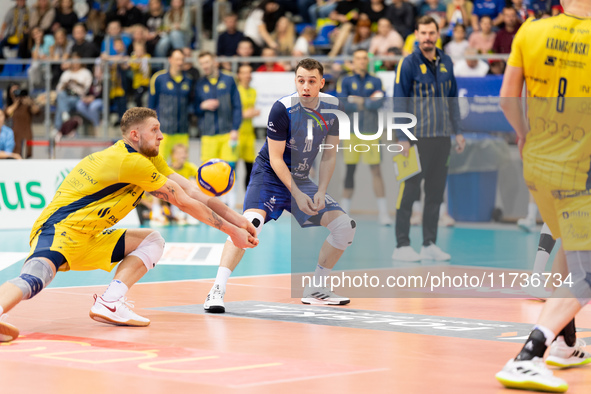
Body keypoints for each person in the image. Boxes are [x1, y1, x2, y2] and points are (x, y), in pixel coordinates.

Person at [0, 107, 258, 343]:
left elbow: (191, 190)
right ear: (135, 134)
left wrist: (239, 221)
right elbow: (183, 201)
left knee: (151, 241)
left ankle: (110, 303)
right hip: (59, 230)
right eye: (154, 130)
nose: (161, 135)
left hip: (89, 237)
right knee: (35, 279)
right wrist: (232, 232)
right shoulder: (129, 162)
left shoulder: (147, 158)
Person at [203, 58, 356, 313]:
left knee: (344, 227)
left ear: (322, 83)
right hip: (270, 175)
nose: (305, 86)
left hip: (301, 177)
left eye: (311, 81)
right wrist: (296, 193)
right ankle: (216, 290)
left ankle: (316, 288)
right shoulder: (282, 108)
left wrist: (319, 190)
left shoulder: (334, 108)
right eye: (300, 80)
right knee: (248, 226)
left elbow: (329, 154)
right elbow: (275, 158)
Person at [495, 0, 591, 390]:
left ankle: (566, 345)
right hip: (581, 165)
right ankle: (527, 356)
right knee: (587, 274)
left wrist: (523, 133)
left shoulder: (530, 31)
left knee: (570, 248)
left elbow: (506, 99)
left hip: (538, 161)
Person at [391, 16, 465, 262]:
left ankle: (429, 243)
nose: (427, 37)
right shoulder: (408, 64)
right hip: (413, 140)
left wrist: (458, 131)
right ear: (416, 34)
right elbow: (399, 102)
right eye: (423, 33)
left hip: (441, 138)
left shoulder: (447, 62)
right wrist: (402, 136)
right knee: (409, 191)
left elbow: (452, 99)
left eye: (431, 33)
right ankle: (401, 245)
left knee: (435, 193)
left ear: (438, 33)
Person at [336, 49, 393, 226]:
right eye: (358, 58)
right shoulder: (345, 81)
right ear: (353, 61)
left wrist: (361, 101)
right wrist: (365, 101)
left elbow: (379, 101)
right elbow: (342, 103)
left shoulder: (376, 80)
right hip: (351, 132)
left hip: (370, 131)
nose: (362, 61)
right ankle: (344, 215)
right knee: (350, 170)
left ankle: (383, 214)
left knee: (376, 170)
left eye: (364, 58)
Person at [194, 52, 242, 165]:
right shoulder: (199, 84)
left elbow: (237, 106)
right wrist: (202, 106)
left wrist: (235, 128)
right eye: (201, 64)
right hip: (208, 135)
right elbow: (194, 108)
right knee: (208, 173)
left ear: (215, 62)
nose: (204, 66)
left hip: (228, 134)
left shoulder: (229, 80)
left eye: (206, 62)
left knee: (229, 171)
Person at [149, 48, 194, 162]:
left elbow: (192, 103)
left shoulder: (188, 80)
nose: (180, 62)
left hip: (182, 132)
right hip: (163, 131)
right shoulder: (158, 78)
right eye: (177, 59)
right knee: (159, 165)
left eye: (182, 59)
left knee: (181, 168)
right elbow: (150, 106)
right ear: (170, 60)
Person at [236, 64, 260, 191]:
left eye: (249, 72)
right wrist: (244, 114)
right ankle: (229, 200)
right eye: (244, 72)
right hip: (236, 133)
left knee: (250, 168)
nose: (247, 75)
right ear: (238, 75)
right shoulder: (236, 91)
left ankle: (248, 199)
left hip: (249, 134)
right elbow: (232, 111)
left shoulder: (253, 91)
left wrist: (252, 113)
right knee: (232, 167)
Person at [5, 83, 40, 158]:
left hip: (26, 134)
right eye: (14, 91)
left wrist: (30, 103)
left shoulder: (26, 104)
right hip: (13, 136)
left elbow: (37, 111)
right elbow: (7, 113)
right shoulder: (9, 105)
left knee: (26, 156)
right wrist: (16, 103)